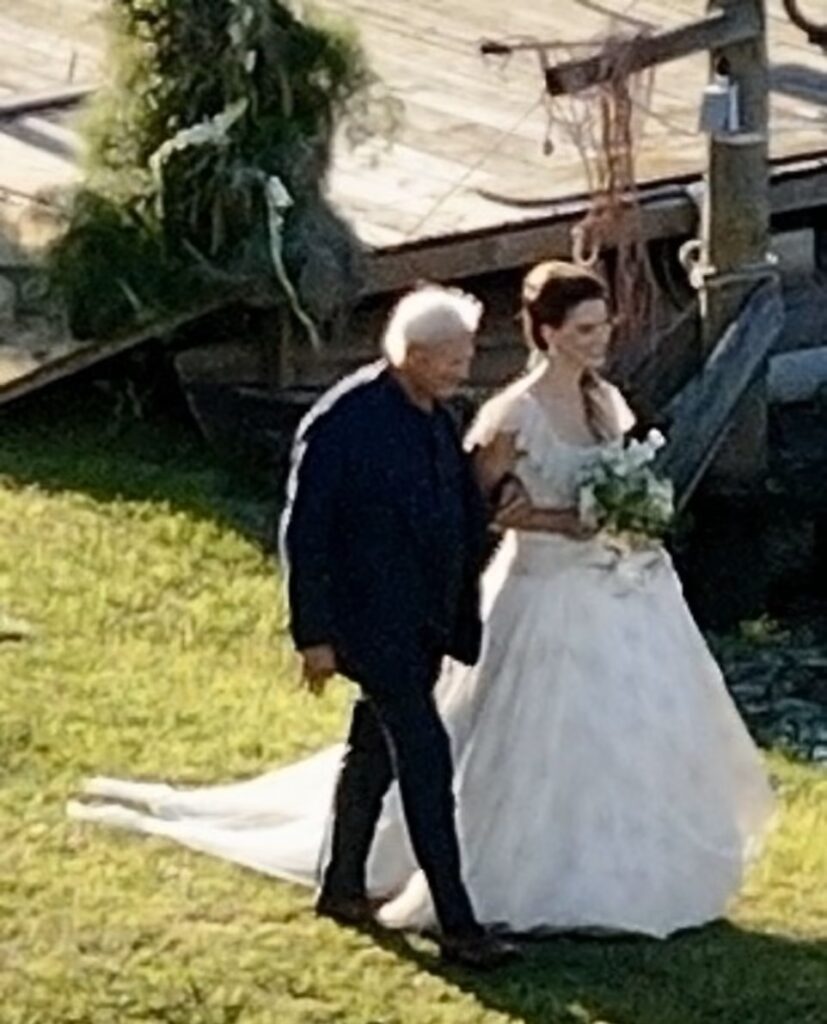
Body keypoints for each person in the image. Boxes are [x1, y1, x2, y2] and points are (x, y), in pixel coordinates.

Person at [69, 263, 775, 941]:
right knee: (428, 752)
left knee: (380, 748)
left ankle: (346, 879)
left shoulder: (487, 409)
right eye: (586, 328)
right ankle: (457, 914)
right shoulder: (411, 417)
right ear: (549, 331)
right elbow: (331, 524)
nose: (465, 367)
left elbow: (469, 503)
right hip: (423, 606)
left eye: (602, 327)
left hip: (567, 592)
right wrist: (313, 633)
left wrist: (621, 517)